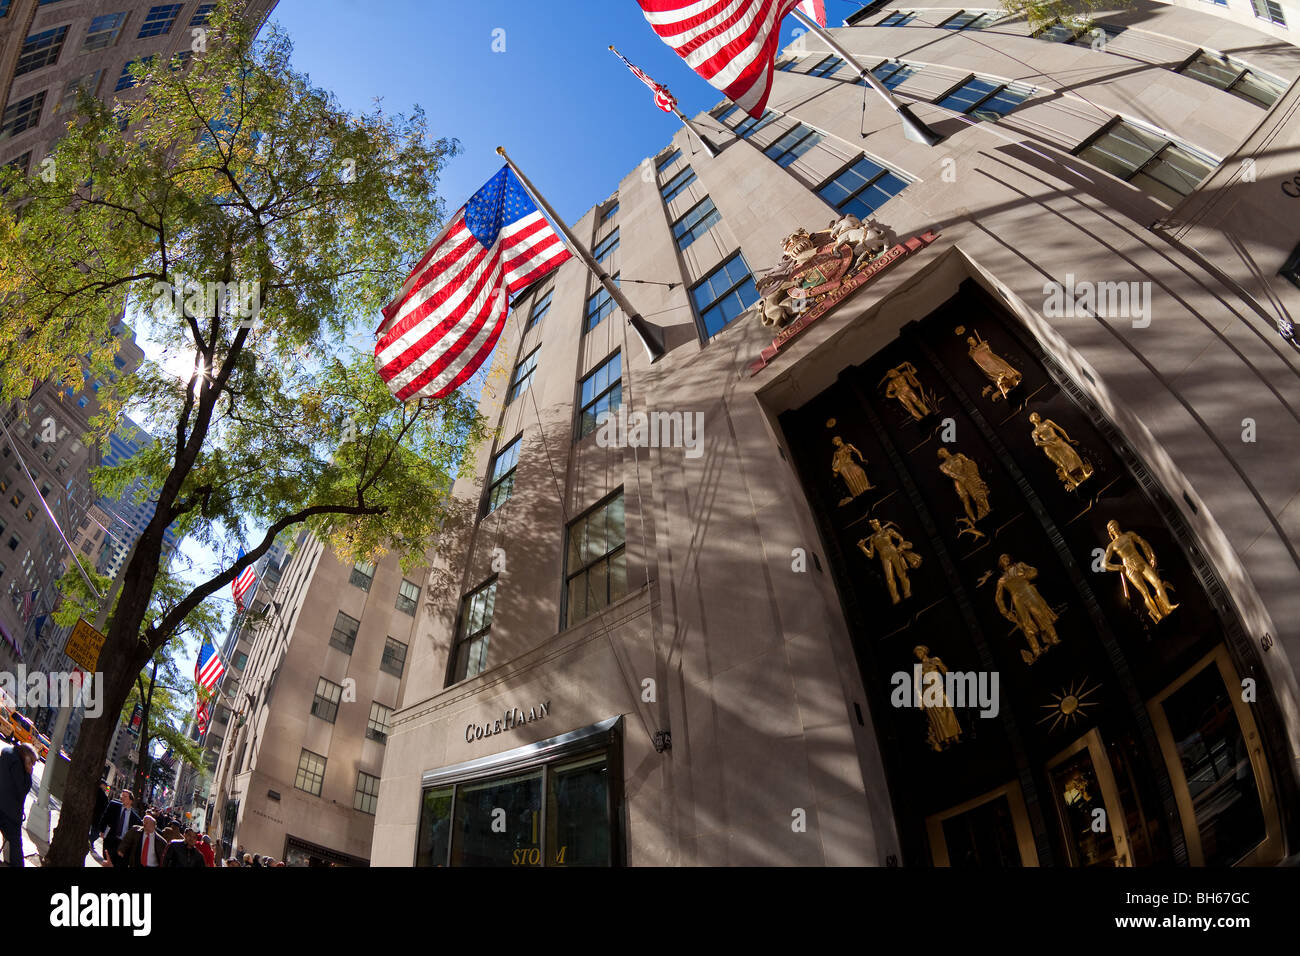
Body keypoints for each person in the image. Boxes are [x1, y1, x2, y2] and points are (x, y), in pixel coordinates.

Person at [0, 743, 37, 867]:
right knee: (16, 846)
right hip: (10, 813)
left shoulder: (6, 752)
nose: (32, 766)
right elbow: (22, 790)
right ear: (26, 756)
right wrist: (28, 774)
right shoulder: (18, 765)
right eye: (31, 762)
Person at [99, 788, 142, 867]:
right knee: (107, 861)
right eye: (122, 796)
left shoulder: (136, 818)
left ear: (131, 801)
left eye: (125, 797)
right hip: (111, 840)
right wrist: (102, 830)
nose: (122, 798)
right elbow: (105, 817)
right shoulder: (113, 806)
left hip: (123, 844)